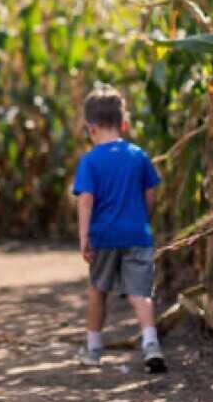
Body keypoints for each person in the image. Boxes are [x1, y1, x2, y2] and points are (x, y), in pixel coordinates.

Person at [72, 86, 167, 373]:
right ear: (123, 124)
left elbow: (86, 201)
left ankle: (93, 347)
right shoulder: (138, 155)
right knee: (140, 292)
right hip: (138, 234)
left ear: (90, 128)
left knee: (98, 290)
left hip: (104, 236)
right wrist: (142, 219)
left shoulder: (90, 161)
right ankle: (151, 344)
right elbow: (151, 194)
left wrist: (84, 237)